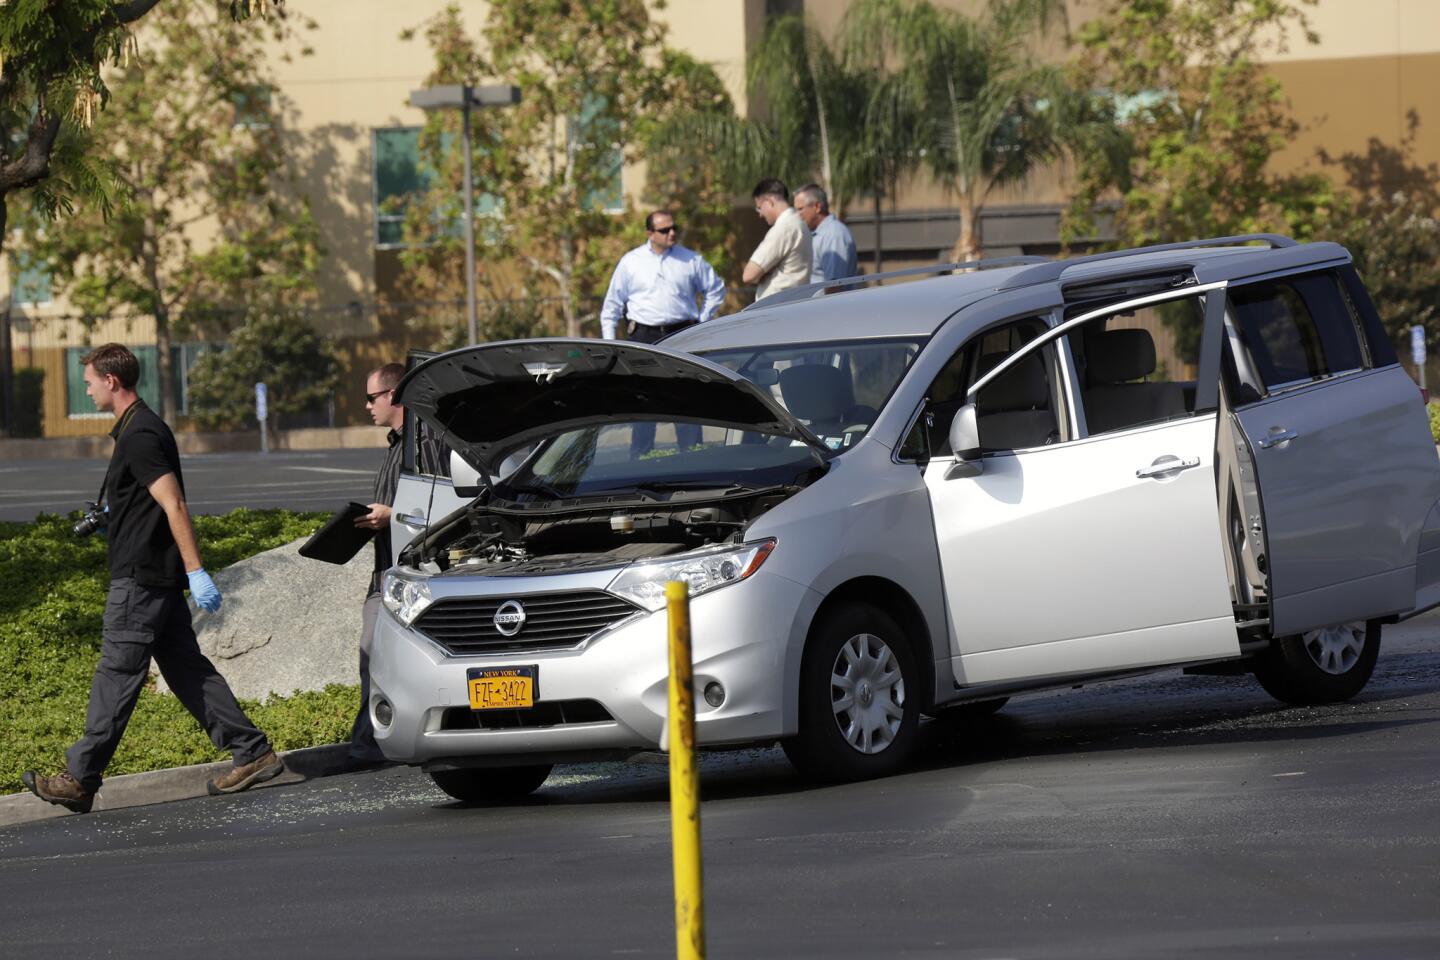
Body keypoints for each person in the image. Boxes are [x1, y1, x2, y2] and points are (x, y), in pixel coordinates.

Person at [23, 344, 283, 814]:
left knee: (116, 675)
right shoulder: (139, 428)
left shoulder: (140, 434)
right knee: (188, 672)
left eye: (88, 381)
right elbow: (147, 501)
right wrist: (113, 515)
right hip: (153, 579)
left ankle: (80, 777)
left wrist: (196, 570)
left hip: (141, 582)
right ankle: (253, 753)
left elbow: (174, 504)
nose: (85, 388)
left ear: (111, 382)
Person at [600, 210, 726, 456]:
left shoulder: (690, 260)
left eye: (674, 227)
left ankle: (692, 455)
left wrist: (702, 320)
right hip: (644, 335)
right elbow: (612, 306)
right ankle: (640, 458)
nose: (672, 233)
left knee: (686, 395)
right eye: (664, 230)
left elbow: (716, 289)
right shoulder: (631, 262)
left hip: (684, 332)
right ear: (649, 233)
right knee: (644, 396)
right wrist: (609, 346)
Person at [742, 178, 812, 302]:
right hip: (794, 304)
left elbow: (748, 275)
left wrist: (764, 271)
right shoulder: (800, 223)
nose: (760, 214)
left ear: (769, 202)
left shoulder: (783, 228)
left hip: (776, 308)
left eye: (759, 208)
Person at [794, 183, 858, 285]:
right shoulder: (818, 233)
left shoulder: (833, 235)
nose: (798, 215)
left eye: (800, 209)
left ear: (817, 207)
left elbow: (834, 287)